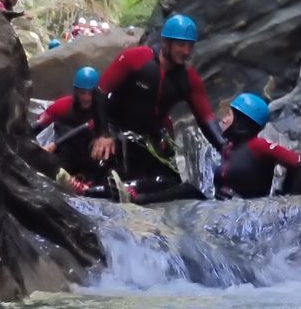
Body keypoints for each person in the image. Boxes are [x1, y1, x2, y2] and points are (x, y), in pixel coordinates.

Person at [90, 13, 227, 204]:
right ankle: (85, 188)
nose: (186, 51)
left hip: (147, 140)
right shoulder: (136, 58)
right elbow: (100, 92)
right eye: (181, 44)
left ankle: (133, 196)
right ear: (165, 42)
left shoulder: (189, 79)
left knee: (172, 182)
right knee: (102, 165)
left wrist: (225, 148)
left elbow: (206, 119)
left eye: (190, 46)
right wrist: (102, 134)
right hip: (115, 131)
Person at [214, 93, 301, 198]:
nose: (224, 119)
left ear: (241, 121)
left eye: (229, 114)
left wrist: (291, 199)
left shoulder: (259, 146)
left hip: (252, 210)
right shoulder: (228, 148)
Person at [34, 67, 112, 192]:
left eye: (90, 93)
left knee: (104, 149)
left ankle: (88, 184)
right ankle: (64, 177)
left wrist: (54, 144)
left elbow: (88, 126)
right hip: (66, 155)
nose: (86, 97)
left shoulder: (101, 112)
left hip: (89, 158)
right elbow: (40, 123)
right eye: (82, 93)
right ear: (76, 91)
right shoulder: (63, 105)